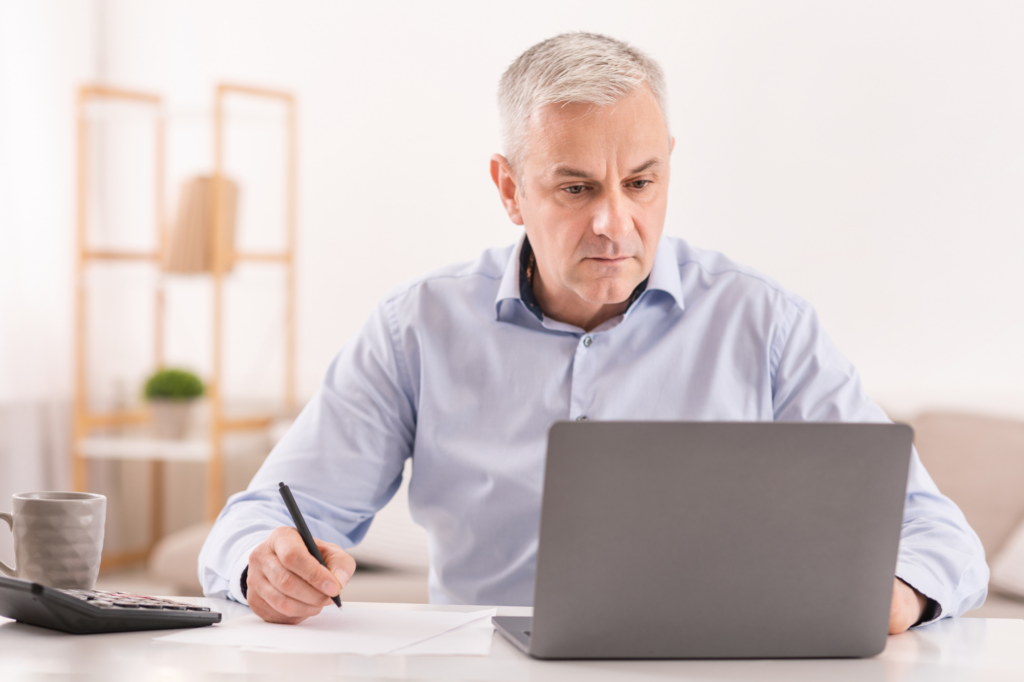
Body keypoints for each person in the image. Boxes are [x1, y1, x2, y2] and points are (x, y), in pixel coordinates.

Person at [198, 32, 988, 633]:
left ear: (669, 165)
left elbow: (937, 535)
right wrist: (262, 564)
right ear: (510, 189)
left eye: (641, 182)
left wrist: (892, 598)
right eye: (575, 188)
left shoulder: (765, 324)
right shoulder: (418, 328)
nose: (616, 222)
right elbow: (252, 520)